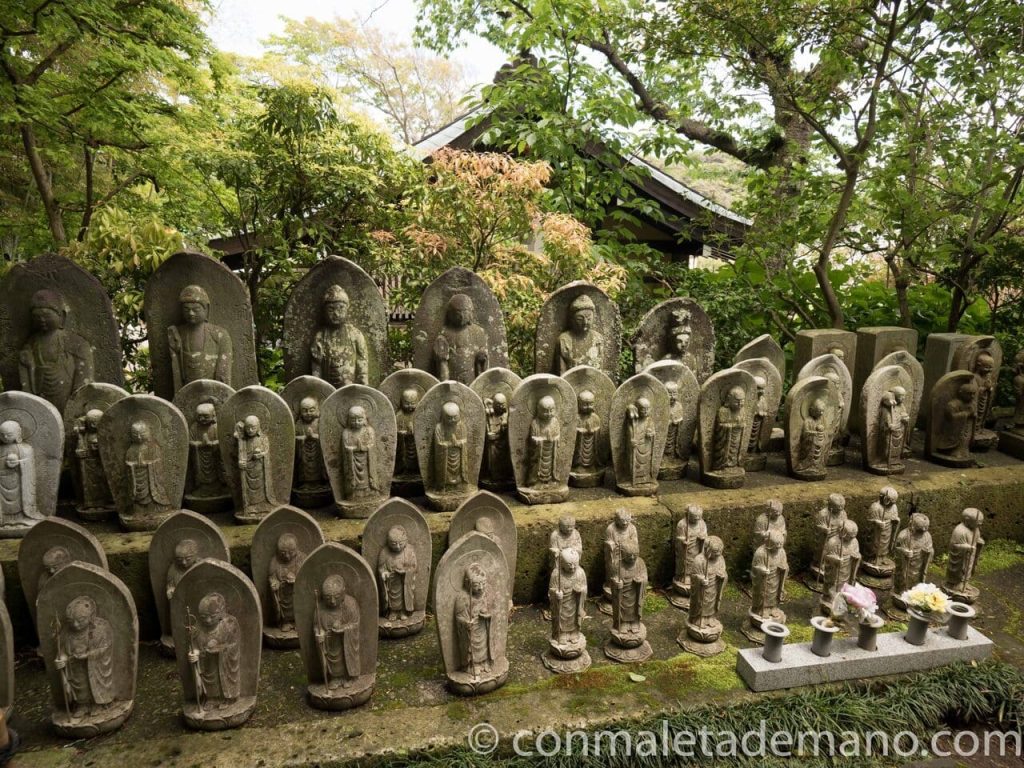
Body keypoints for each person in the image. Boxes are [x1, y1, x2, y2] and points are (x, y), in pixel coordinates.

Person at [18, 288, 94, 413]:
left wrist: (76, 404)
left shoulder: (76, 343)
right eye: (37, 317)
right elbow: (26, 372)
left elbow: (84, 379)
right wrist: (29, 366)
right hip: (39, 400)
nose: (42, 320)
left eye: (47, 315)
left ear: (62, 316)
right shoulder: (31, 343)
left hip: (68, 402)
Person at [167, 284, 232, 393]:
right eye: (186, 309)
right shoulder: (177, 334)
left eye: (196, 309)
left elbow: (223, 373)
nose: (191, 313)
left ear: (206, 309)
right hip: (187, 393)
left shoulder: (219, 335)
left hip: (213, 393)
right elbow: (177, 372)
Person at [310, 285, 368, 387]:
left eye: (341, 308)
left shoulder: (355, 334)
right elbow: (316, 368)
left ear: (347, 309)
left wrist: (363, 387)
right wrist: (317, 389)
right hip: (327, 389)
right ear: (324, 312)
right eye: (331, 310)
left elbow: (362, 365)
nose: (336, 314)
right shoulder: (320, 336)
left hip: (351, 389)